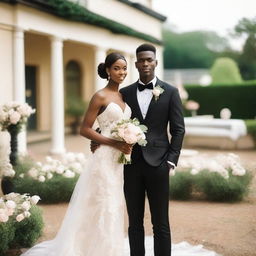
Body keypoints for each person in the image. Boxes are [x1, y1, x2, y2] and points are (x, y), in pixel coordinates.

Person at [21, 52, 133, 256]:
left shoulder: (124, 96)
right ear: (108, 70)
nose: (121, 72)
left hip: (119, 161)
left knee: (115, 203)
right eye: (116, 68)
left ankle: (110, 248)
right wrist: (114, 143)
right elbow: (85, 129)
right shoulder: (100, 96)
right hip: (104, 158)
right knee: (103, 202)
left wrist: (128, 139)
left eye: (124, 68)